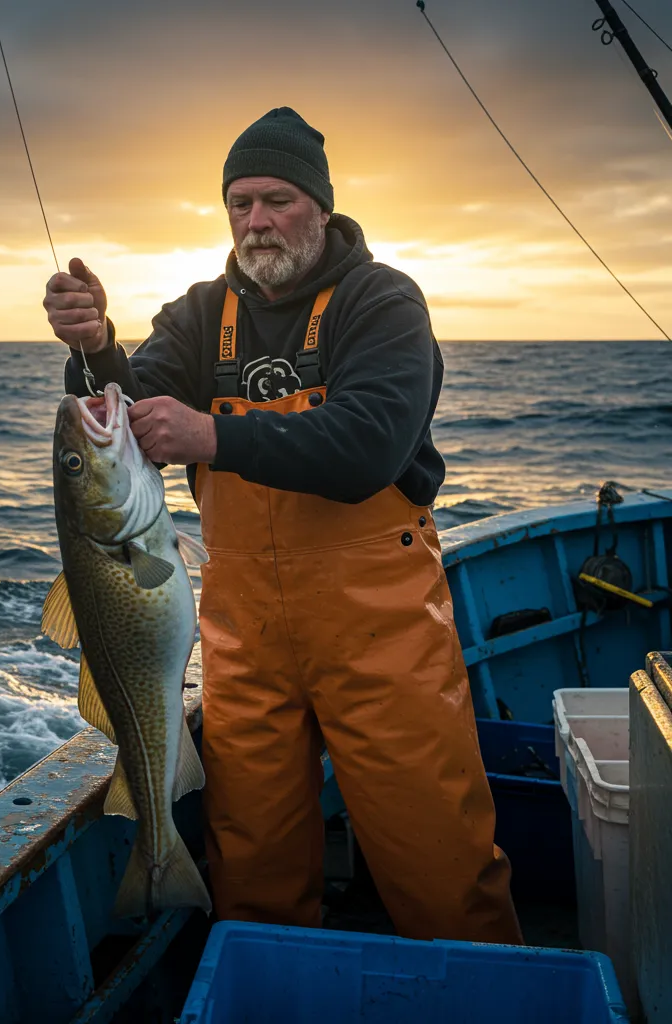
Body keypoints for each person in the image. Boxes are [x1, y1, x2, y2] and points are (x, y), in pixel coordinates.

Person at [43, 106, 523, 944]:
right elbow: (128, 411)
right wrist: (96, 348)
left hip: (383, 637)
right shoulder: (198, 316)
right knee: (252, 865)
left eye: (277, 199)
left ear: (322, 208)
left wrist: (213, 433)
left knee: (440, 860)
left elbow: (370, 444)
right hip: (246, 642)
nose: (256, 221)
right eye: (239, 203)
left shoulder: (380, 303)